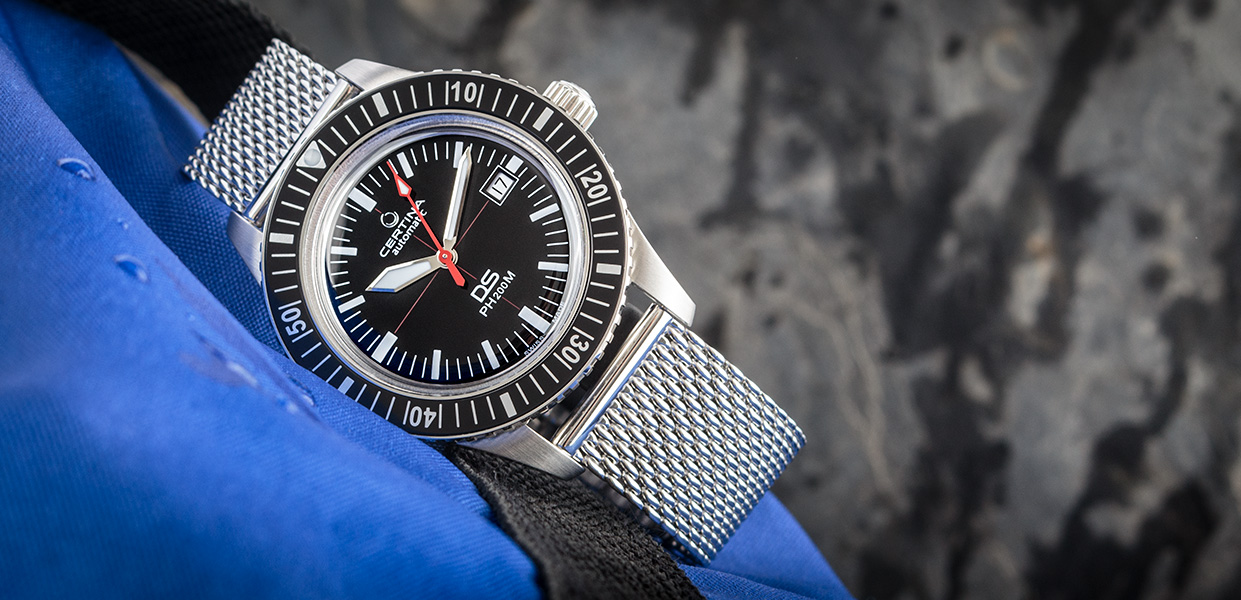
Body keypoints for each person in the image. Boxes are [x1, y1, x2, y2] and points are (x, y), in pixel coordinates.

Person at [0, 0, 852, 597]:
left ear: (554, 123)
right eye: (440, 255)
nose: (447, 258)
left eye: (446, 252)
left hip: (619, 369)